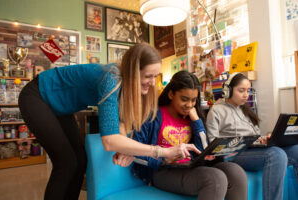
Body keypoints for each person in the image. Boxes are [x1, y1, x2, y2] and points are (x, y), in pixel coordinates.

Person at [18, 43, 199, 200]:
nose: (153, 82)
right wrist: (161, 152)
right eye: (148, 76)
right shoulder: (111, 79)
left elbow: (120, 125)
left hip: (62, 108)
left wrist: (127, 149)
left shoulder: (125, 85)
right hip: (37, 96)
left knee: (80, 160)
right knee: (66, 162)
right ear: (133, 72)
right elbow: (109, 140)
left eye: (155, 76)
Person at [129, 71, 248, 200]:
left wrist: (196, 121)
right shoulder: (152, 116)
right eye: (184, 99)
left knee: (235, 172)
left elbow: (203, 150)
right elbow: (135, 152)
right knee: (215, 179)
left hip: (190, 166)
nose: (189, 105)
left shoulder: (192, 117)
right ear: (171, 94)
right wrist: (163, 159)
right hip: (162, 170)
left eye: (193, 100)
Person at [206, 72, 298, 200]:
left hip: (253, 149)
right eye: (241, 90)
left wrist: (265, 139)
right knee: (276, 154)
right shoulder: (216, 111)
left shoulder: (244, 109)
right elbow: (213, 143)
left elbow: (256, 134)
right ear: (228, 90)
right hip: (234, 154)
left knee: (296, 150)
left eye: (248, 90)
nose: (246, 95)